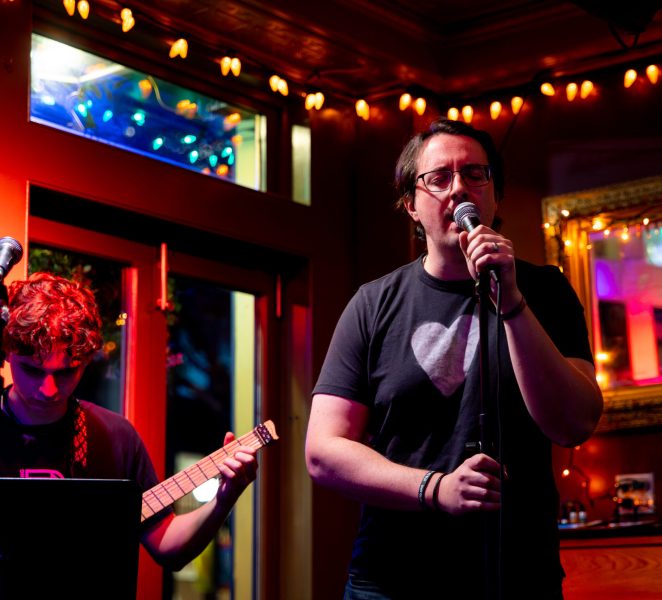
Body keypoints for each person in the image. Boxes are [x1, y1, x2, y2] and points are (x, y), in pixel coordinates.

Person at [305, 118, 603, 599]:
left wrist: (512, 304)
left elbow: (573, 424)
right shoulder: (373, 303)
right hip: (392, 580)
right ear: (412, 205)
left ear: (494, 195)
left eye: (475, 174)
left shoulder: (544, 291)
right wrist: (435, 488)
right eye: (439, 178)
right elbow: (324, 451)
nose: (459, 188)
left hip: (517, 575)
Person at [0, 271, 258, 570]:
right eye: (32, 370)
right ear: (6, 353)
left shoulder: (115, 436)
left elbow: (167, 545)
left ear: (85, 361)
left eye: (66, 372)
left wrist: (223, 500)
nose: (48, 389)